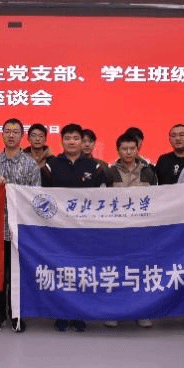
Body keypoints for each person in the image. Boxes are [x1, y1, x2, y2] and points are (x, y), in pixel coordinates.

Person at [0, 118, 41, 333]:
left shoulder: (30, 164)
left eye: (16, 132)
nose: (11, 135)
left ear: (22, 136)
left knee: (18, 275)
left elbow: (36, 198)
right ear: (2, 134)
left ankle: (16, 314)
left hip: (20, 231)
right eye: (7, 131)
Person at [43, 124, 103, 332]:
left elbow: (102, 198)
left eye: (76, 138)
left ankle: (80, 314)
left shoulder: (95, 167)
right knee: (61, 271)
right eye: (67, 138)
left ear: (82, 141)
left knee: (82, 272)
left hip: (84, 231)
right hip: (58, 230)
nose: (71, 142)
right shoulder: (51, 166)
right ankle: (61, 313)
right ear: (61, 141)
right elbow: (42, 197)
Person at [103, 132, 157, 328]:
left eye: (132, 148)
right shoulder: (109, 172)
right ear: (118, 150)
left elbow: (157, 198)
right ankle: (114, 312)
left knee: (140, 271)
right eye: (124, 148)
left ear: (137, 149)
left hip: (141, 231)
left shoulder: (149, 171)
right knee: (116, 271)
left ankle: (141, 312)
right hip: (116, 231)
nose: (128, 152)